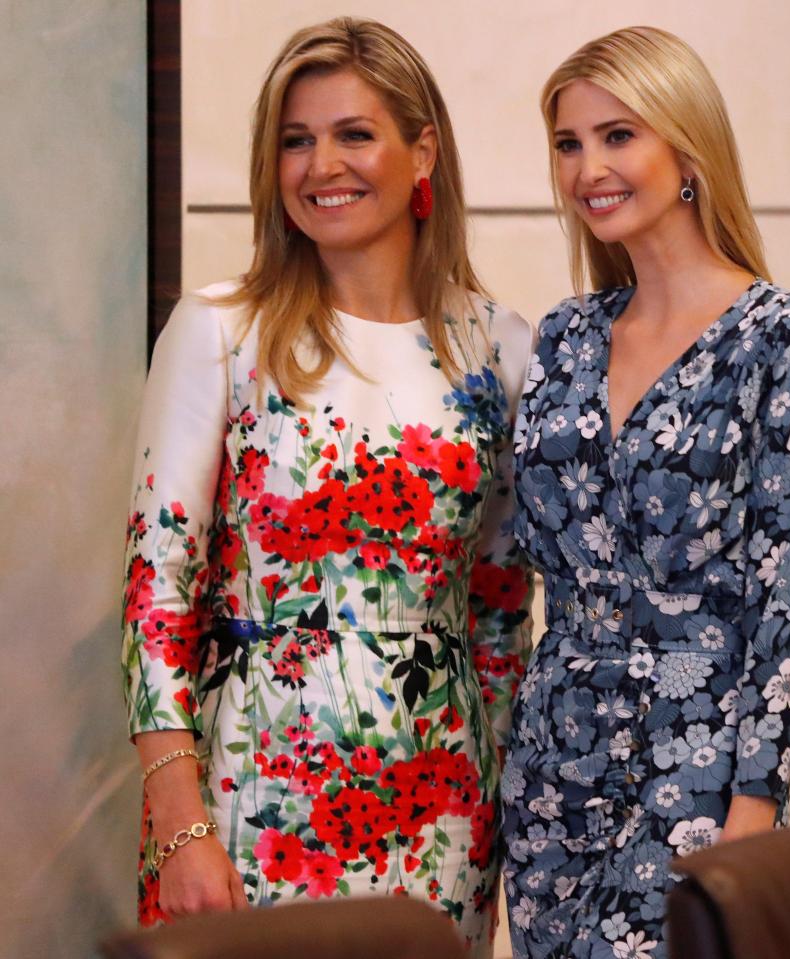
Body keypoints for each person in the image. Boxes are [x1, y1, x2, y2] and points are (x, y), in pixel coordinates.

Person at [121, 18, 534, 957]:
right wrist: (179, 818)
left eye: (354, 134)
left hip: (444, 807)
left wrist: (501, 815)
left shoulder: (500, 348)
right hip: (246, 798)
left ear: (421, 149)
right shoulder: (221, 329)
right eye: (295, 140)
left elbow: (503, 609)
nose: (321, 165)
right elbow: (156, 590)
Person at [502, 26, 790, 959]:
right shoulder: (564, 336)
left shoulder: (789, 338)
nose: (588, 169)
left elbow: (789, 603)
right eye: (568, 144)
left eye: (618, 135)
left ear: (685, 149)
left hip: (696, 764)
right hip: (550, 763)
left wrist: (752, 805)